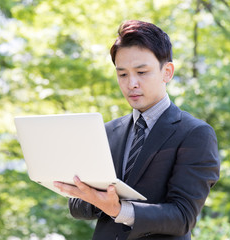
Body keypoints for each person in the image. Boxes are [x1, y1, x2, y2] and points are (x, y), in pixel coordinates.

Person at [53, 20, 220, 240]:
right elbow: (76, 206)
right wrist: (91, 197)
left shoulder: (195, 134)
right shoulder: (106, 132)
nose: (131, 83)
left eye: (142, 72)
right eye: (122, 74)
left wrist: (119, 210)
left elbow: (183, 216)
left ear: (167, 72)